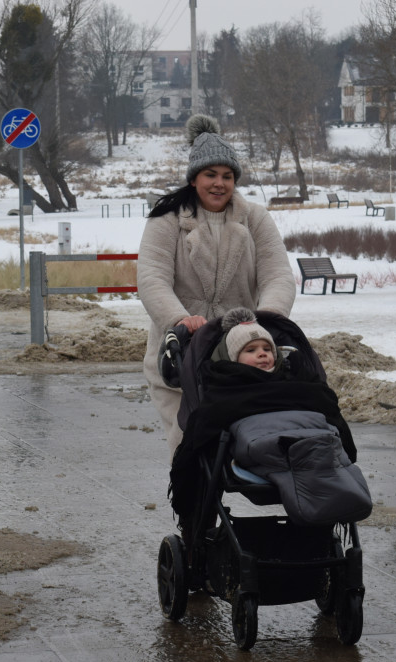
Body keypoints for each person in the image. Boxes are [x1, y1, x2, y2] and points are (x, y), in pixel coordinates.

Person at [138, 114, 296, 456]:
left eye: (227, 176)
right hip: (180, 354)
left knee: (244, 445)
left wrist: (267, 318)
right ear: (194, 178)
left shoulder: (254, 218)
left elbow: (277, 274)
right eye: (210, 174)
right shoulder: (168, 219)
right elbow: (152, 277)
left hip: (241, 352)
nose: (219, 184)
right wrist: (179, 319)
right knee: (188, 447)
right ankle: (194, 508)